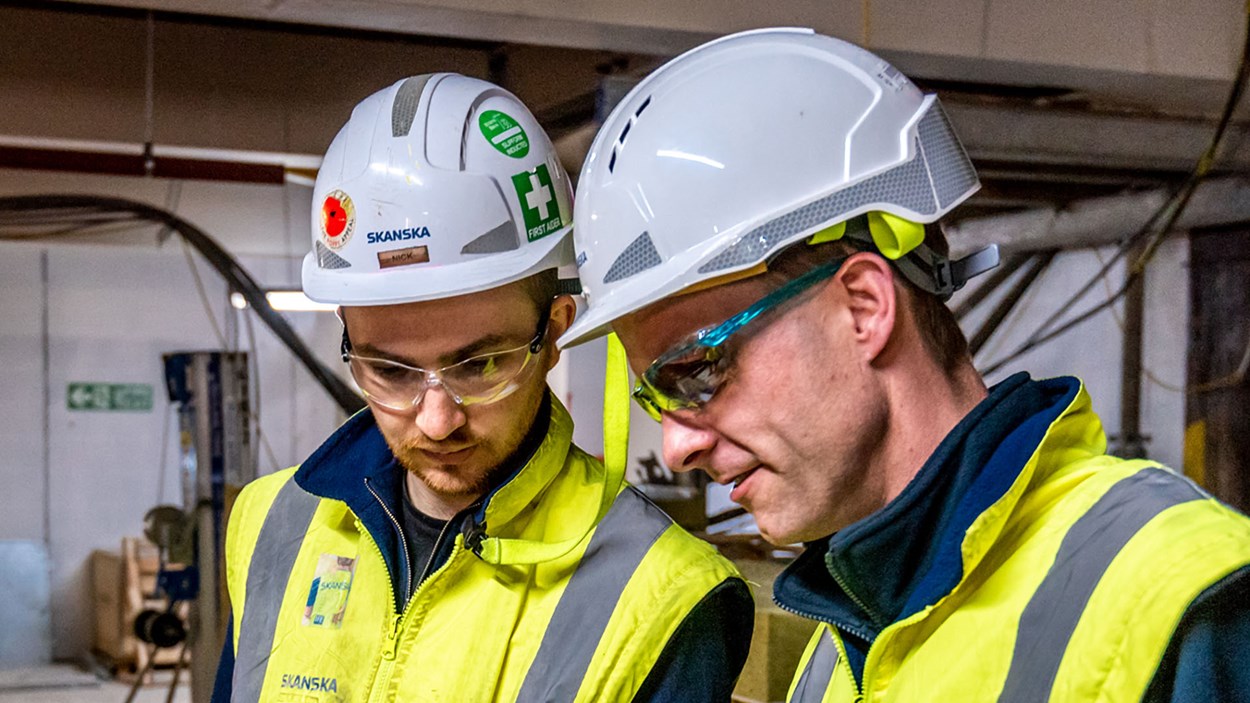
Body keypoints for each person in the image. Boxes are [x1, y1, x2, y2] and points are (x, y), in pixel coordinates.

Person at [559, 28, 1250, 703]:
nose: (677, 448)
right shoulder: (842, 648)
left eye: (699, 370)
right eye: (659, 398)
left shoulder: (1187, 598)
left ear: (863, 307)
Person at [212, 73, 753, 703]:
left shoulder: (665, 595)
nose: (437, 421)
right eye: (390, 371)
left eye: (479, 366)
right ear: (347, 334)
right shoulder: (270, 521)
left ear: (553, 332)